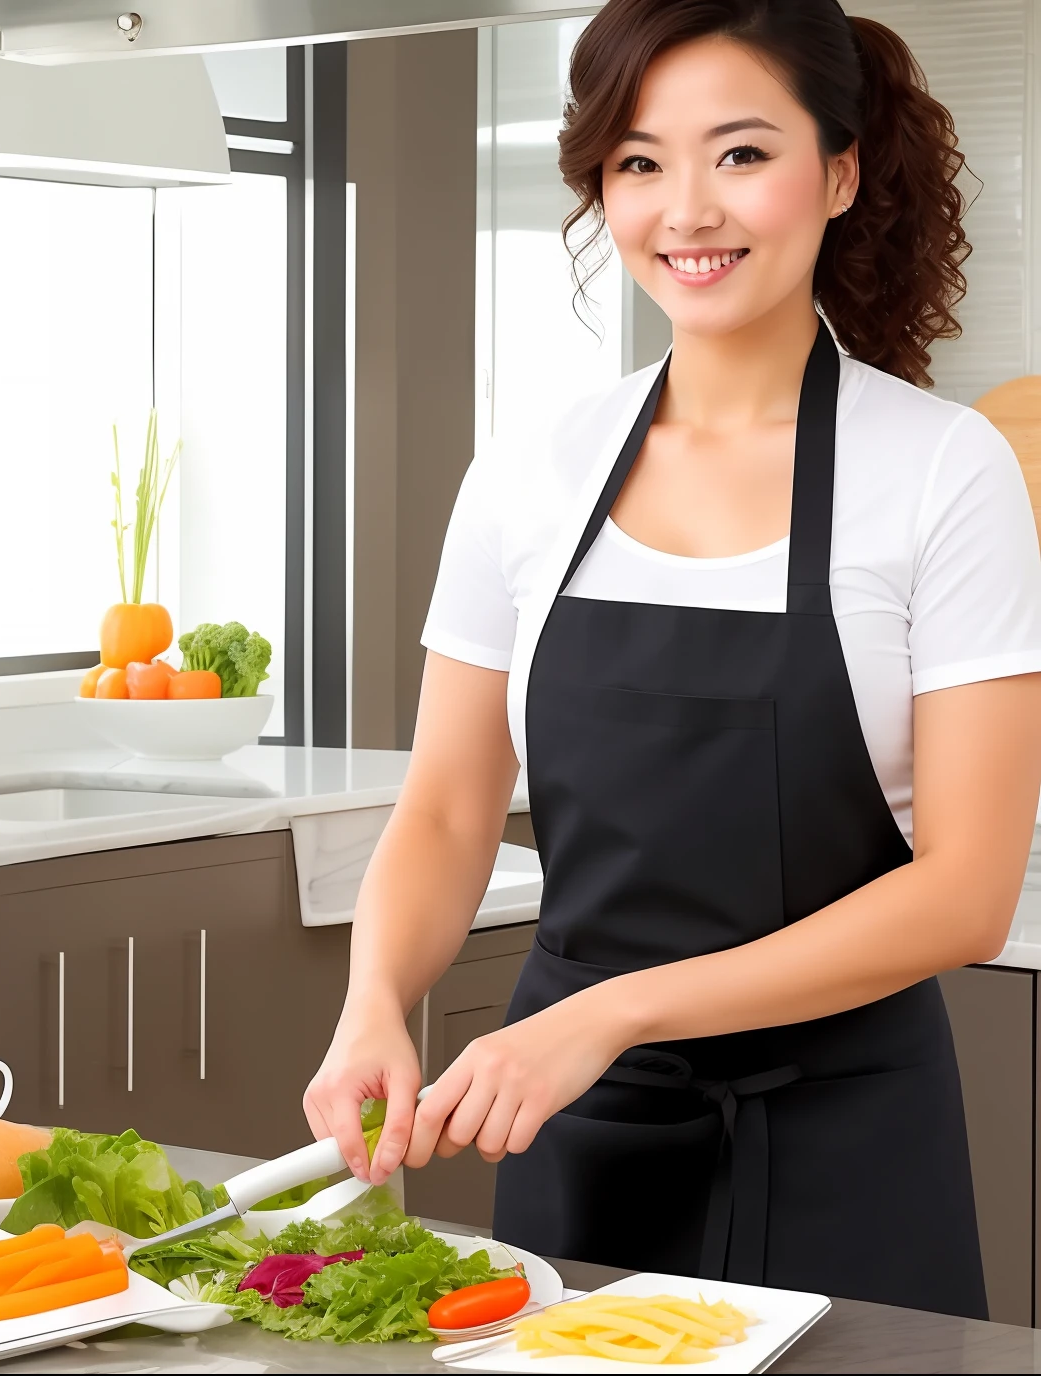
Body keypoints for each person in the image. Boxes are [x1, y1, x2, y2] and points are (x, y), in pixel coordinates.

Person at [305, 0, 1041, 1316]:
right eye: (640, 162)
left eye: (741, 154)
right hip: (576, 1131)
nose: (687, 210)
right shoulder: (531, 469)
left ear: (841, 170)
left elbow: (965, 895)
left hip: (848, 1138)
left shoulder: (943, 471)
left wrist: (613, 1013)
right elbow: (448, 806)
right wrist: (376, 1001)